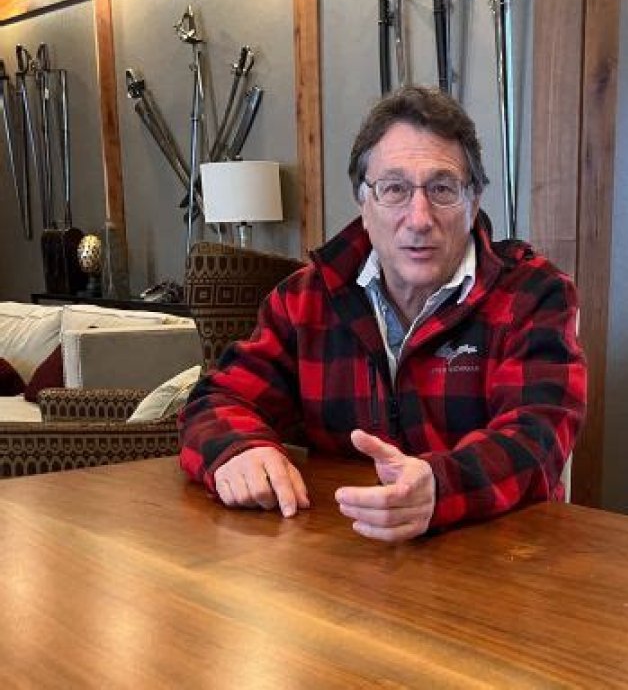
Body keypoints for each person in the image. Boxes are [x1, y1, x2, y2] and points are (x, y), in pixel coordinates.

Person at [178, 85, 587, 542]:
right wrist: (238, 448)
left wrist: (440, 485)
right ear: (364, 203)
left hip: (499, 552)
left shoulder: (533, 294)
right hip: (344, 548)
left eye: (442, 189)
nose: (419, 218)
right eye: (394, 188)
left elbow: (536, 437)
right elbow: (217, 399)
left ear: (473, 202)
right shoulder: (305, 300)